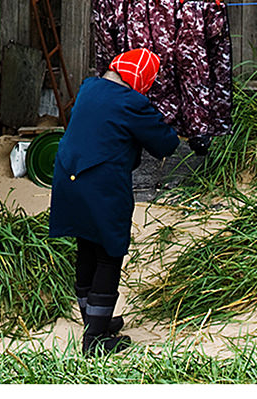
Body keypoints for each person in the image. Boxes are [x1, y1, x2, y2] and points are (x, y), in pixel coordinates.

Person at [48, 48, 180, 356]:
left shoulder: (88, 88)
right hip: (101, 185)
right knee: (109, 252)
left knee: (86, 246)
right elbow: (166, 143)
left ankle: (95, 318)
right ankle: (95, 339)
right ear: (141, 78)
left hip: (68, 176)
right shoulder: (131, 103)